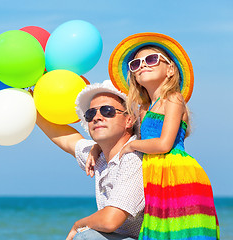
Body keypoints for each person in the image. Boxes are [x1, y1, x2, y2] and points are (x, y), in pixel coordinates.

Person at [88, 32, 220, 239]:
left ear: (169, 69)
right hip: (155, 176)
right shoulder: (143, 109)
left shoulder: (173, 99)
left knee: (183, 230)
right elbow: (126, 134)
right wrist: (97, 147)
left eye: (151, 60)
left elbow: (164, 144)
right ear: (134, 76)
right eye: (136, 64)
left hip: (178, 173)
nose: (143, 65)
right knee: (162, 231)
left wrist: (132, 147)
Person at [36, 80, 145, 240]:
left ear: (129, 120)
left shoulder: (133, 156)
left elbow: (110, 220)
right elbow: (67, 140)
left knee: (86, 237)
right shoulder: (99, 155)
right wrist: (31, 105)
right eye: (90, 113)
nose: (97, 117)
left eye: (107, 111)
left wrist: (78, 224)